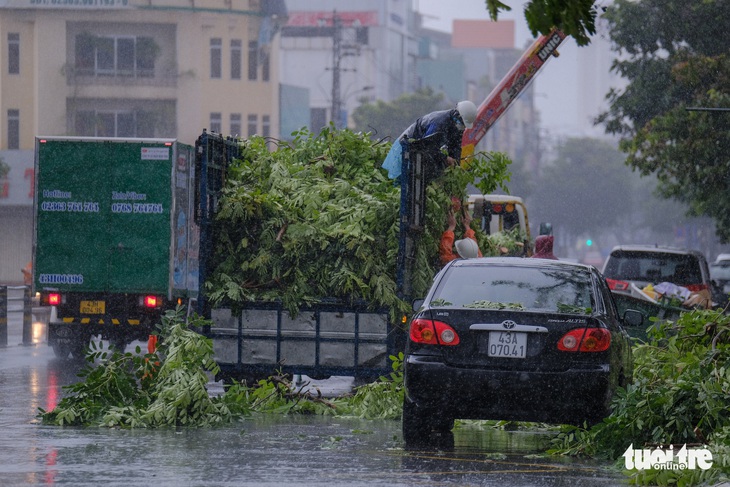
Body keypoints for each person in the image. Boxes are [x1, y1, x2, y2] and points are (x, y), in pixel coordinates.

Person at [382, 100, 478, 181]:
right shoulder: (439, 123)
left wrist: (456, 166)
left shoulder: (457, 127)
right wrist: (445, 158)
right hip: (406, 150)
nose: (463, 127)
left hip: (419, 153)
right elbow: (427, 148)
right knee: (400, 183)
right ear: (457, 115)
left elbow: (455, 147)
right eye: (462, 123)